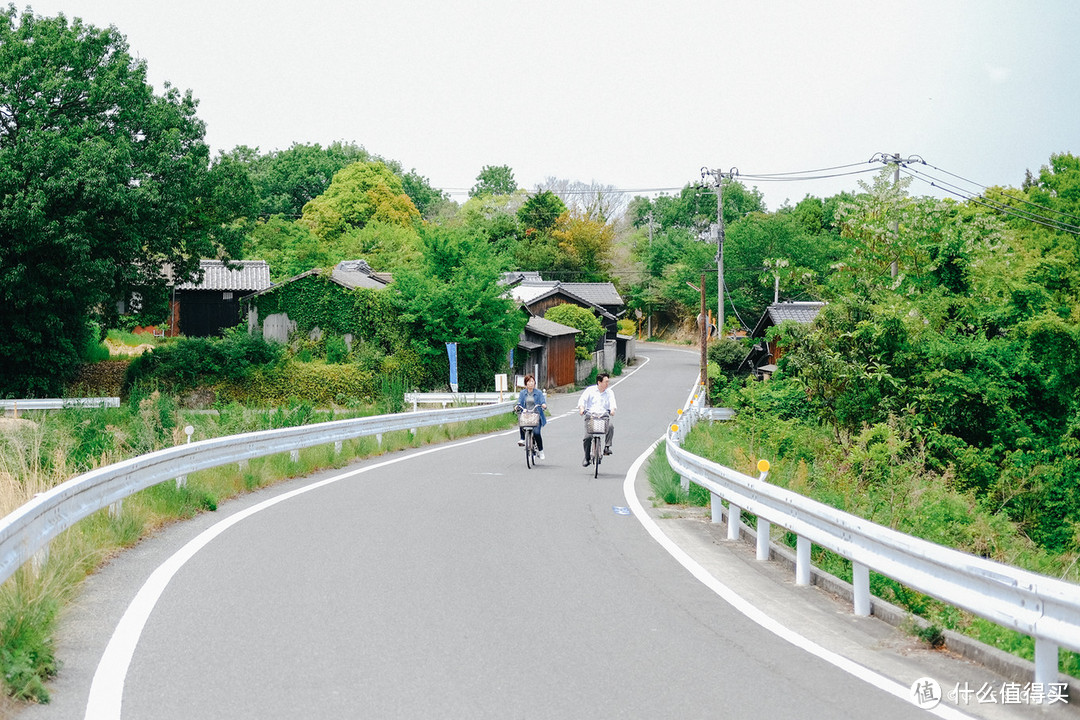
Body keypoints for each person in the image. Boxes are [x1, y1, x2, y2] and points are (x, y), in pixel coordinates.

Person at [577, 371, 616, 466]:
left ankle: (607, 447)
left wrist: (612, 410)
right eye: (605, 382)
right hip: (591, 416)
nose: (607, 384)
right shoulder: (590, 390)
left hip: (603, 416)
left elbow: (612, 403)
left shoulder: (609, 392)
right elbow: (582, 400)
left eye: (608, 382)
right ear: (599, 382)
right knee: (587, 437)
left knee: (610, 426)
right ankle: (587, 457)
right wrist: (582, 409)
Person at [516, 374, 547, 460]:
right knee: (521, 420)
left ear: (534, 383)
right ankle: (522, 439)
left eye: (532, 381)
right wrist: (518, 406)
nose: (531, 383)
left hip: (536, 415)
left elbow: (542, 401)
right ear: (526, 383)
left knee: (536, 433)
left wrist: (543, 405)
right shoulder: (523, 393)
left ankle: (541, 451)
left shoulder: (538, 393)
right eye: (529, 382)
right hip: (527, 415)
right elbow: (520, 402)